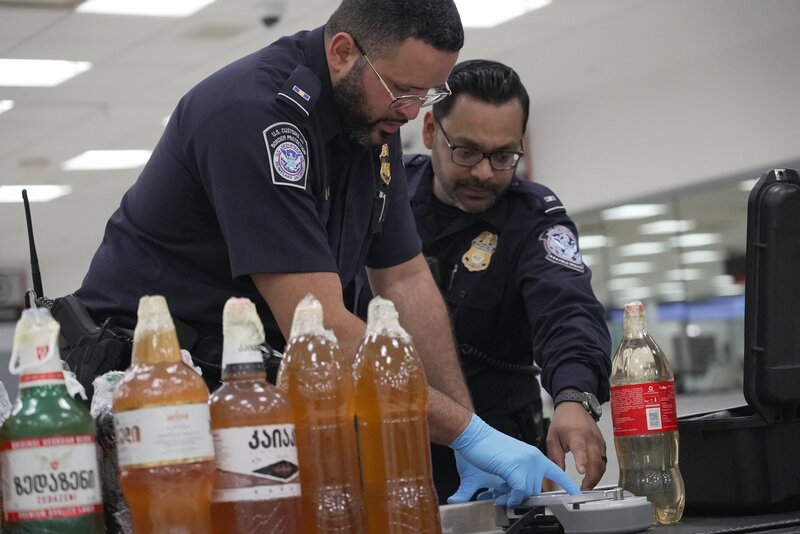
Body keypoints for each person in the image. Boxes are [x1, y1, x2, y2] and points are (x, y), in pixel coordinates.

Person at [71, 0, 579, 507]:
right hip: (150, 398)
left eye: (427, 94)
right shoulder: (255, 116)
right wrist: (471, 434)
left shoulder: (371, 120)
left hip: (246, 391)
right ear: (342, 53)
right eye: (402, 91)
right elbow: (318, 324)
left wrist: (469, 436)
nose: (411, 112)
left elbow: (403, 279)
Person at [349, 59, 612, 503]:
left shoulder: (533, 218)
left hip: (501, 453)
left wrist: (573, 397)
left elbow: (568, 311)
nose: (485, 173)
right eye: (467, 152)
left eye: (503, 156)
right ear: (430, 130)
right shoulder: (380, 194)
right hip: (381, 443)